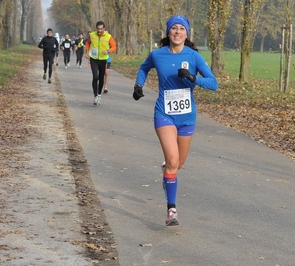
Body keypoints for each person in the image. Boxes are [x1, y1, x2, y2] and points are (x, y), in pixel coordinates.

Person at [133, 15, 218, 226]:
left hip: (187, 117)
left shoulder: (194, 57)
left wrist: (192, 78)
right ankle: (171, 210)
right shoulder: (157, 55)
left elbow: (213, 83)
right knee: (172, 161)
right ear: (168, 32)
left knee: (178, 163)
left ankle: (168, 173)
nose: (177, 32)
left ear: (186, 33)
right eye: (174, 28)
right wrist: (138, 85)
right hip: (164, 114)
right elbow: (144, 68)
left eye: (182, 28)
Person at [85, 21, 117, 105]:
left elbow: (114, 46)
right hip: (94, 59)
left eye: (101, 29)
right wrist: (87, 52)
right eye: (98, 29)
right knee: (95, 77)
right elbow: (88, 43)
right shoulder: (91, 35)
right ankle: (95, 96)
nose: (99, 30)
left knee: (101, 78)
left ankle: (99, 95)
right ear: (96, 28)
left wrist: (108, 51)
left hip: (103, 59)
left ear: (104, 29)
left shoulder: (108, 36)